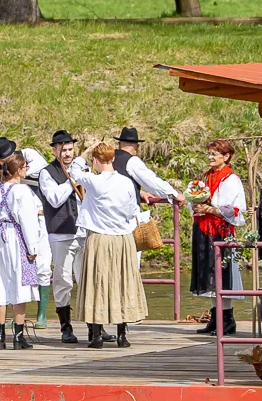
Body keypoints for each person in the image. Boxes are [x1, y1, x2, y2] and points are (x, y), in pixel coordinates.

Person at [71, 139, 175, 347]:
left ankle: (97, 335)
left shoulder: (93, 180)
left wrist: (83, 154)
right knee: (122, 282)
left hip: (100, 238)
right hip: (123, 239)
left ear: (96, 160)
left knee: (98, 283)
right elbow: (130, 211)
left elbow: (74, 171)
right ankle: (121, 336)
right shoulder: (126, 182)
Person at [0, 148, 49, 350]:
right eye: (25, 167)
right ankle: (18, 336)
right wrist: (33, 248)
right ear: (19, 170)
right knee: (20, 284)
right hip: (16, 237)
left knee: (0, 284)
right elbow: (28, 222)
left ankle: (0, 336)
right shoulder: (23, 191)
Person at [191, 139, 249, 335]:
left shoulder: (230, 179)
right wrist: (197, 205)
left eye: (215, 154)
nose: (210, 157)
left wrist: (210, 208)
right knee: (209, 274)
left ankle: (227, 319)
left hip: (219, 230)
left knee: (222, 275)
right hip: (204, 228)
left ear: (226, 157)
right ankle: (216, 318)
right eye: (209, 153)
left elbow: (232, 208)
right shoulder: (207, 178)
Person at [35, 129, 86, 344]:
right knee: (63, 280)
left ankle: (95, 327)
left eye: (70, 149)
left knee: (86, 279)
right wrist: (72, 177)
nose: (67, 154)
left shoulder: (81, 168)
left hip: (83, 231)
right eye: (63, 150)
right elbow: (55, 199)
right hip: (60, 233)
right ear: (54, 150)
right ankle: (66, 328)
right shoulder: (46, 173)